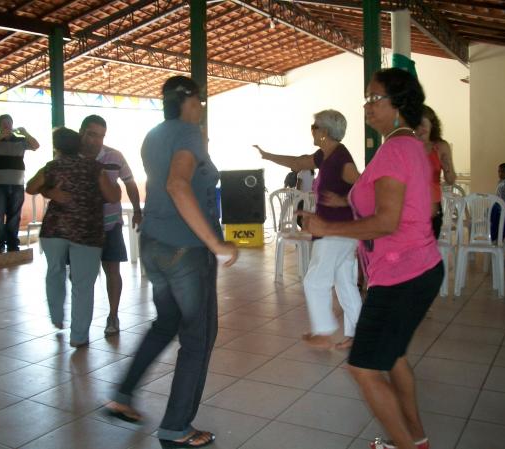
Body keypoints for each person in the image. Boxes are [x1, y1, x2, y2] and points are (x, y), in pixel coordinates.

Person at [300, 68, 443, 449]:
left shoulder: (396, 148)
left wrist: (328, 228)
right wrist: (345, 202)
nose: (367, 105)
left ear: (398, 104)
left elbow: (385, 221)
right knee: (393, 358)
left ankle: (407, 445)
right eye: (367, 97)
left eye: (374, 97)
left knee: (362, 366)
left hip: (403, 274)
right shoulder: (406, 143)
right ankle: (416, 439)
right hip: (413, 268)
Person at [104, 76, 237, 448]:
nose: (202, 107)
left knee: (166, 324)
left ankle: (123, 394)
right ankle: (177, 426)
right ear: (190, 101)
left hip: (154, 243)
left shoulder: (153, 135)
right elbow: (177, 185)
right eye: (201, 101)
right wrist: (215, 243)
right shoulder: (188, 133)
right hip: (185, 249)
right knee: (198, 337)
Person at [255, 109, 362, 350]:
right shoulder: (326, 155)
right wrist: (267, 155)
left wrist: (343, 201)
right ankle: (358, 336)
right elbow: (297, 162)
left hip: (335, 230)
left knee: (314, 281)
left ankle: (323, 333)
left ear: (324, 132)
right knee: (345, 283)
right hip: (340, 231)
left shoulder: (341, 159)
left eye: (314, 127)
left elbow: (365, 187)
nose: (311, 131)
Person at [26, 127, 121, 348]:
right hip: (87, 233)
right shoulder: (94, 167)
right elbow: (113, 196)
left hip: (55, 230)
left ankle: (57, 316)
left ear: (57, 147)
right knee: (83, 285)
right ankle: (78, 336)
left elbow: (30, 187)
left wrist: (49, 191)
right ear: (79, 145)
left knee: (55, 271)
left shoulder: (52, 167)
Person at [78, 115, 142, 336]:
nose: (96, 140)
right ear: (82, 132)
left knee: (112, 271)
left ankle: (113, 316)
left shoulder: (114, 156)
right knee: (81, 277)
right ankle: (81, 322)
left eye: (101, 136)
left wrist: (137, 210)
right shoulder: (70, 156)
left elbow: (129, 182)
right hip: (81, 228)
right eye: (92, 134)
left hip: (111, 225)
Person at [0, 114, 40, 253]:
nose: (7, 125)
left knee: (14, 217)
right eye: (4, 123)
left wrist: (25, 133)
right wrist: (0, 136)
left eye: (9, 122)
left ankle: (12, 244)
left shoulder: (20, 141)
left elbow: (36, 145)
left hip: (17, 185)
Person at [415, 105, 456, 239]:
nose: (420, 129)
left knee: (427, 251)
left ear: (432, 125)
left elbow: (451, 180)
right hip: (411, 207)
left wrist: (447, 166)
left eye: (423, 124)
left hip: (433, 208)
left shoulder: (440, 146)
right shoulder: (408, 145)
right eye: (416, 125)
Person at [491, 162, 505, 243]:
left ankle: (496, 237)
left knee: (499, 220)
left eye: (503, 171)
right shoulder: (500, 182)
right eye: (499, 171)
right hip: (497, 203)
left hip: (501, 205)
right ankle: (492, 236)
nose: (500, 173)